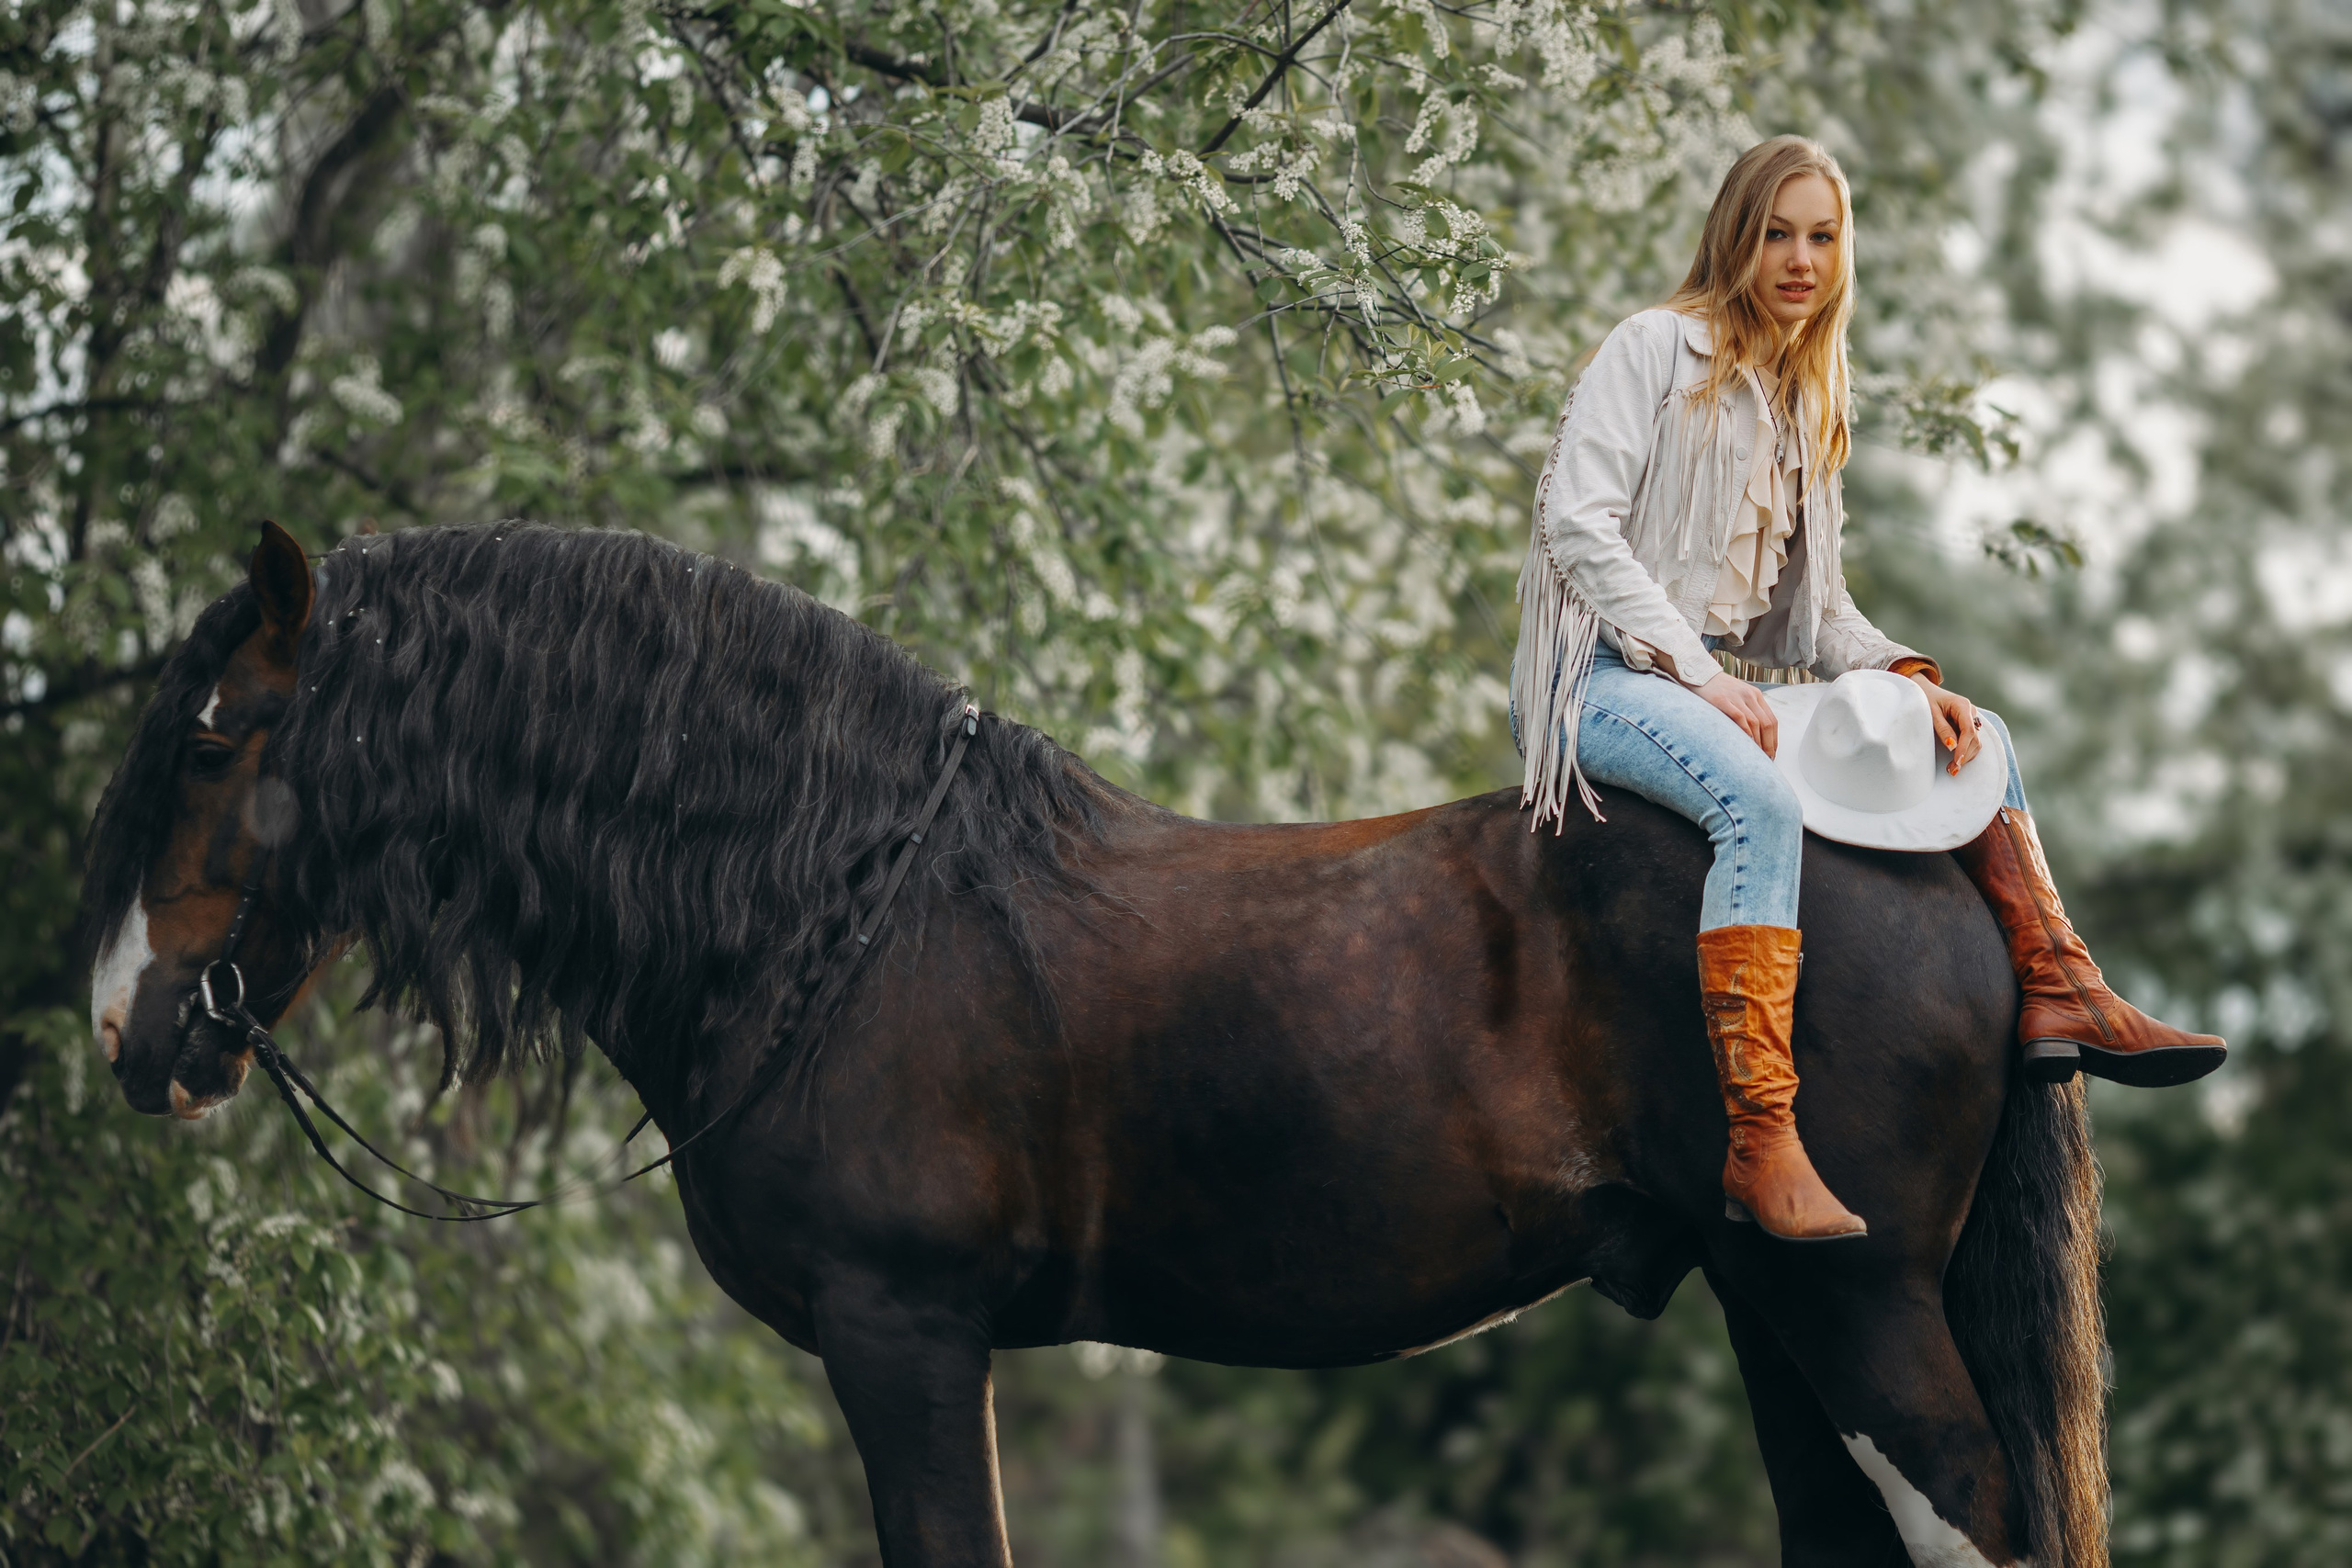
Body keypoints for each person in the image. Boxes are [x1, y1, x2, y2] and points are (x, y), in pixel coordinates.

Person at [1510, 135, 2224, 1243]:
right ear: (1736, 238)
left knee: (1977, 735)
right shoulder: (1654, 346)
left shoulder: (1805, 402)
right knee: (1757, 805)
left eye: (1822, 236)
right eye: (1776, 234)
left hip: (1702, 685)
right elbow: (1575, 524)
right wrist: (1696, 672)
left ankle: (2060, 986)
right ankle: (1760, 1138)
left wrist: (1899, 674)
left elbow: (1815, 619)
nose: (1800, 260)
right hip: (1595, 682)